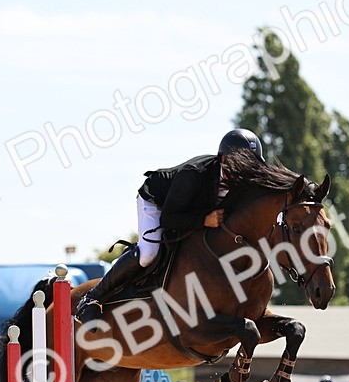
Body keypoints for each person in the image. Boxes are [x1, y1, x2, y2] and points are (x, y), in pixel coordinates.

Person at [76, 128, 266, 324]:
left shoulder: (241, 184)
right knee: (149, 253)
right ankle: (92, 298)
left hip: (192, 210)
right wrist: (204, 221)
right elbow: (169, 219)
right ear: (225, 160)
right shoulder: (194, 174)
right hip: (158, 203)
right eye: (244, 164)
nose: (248, 170)